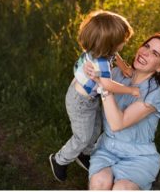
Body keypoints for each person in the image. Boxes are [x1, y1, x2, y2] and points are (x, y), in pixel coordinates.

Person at [49, 11, 139, 182]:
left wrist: (125, 67)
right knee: (82, 136)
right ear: (109, 45)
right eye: (123, 41)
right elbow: (108, 85)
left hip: (88, 97)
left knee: (95, 129)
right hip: (80, 102)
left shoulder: (103, 49)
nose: (125, 42)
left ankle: (84, 154)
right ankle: (59, 159)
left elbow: (116, 56)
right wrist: (131, 91)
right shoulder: (101, 62)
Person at [87, 34, 160, 190]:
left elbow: (118, 123)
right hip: (107, 148)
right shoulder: (116, 74)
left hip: (138, 156)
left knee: (122, 189)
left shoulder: (154, 94)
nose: (145, 52)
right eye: (147, 46)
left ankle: (157, 182)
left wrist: (103, 85)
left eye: (155, 54)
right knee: (99, 183)